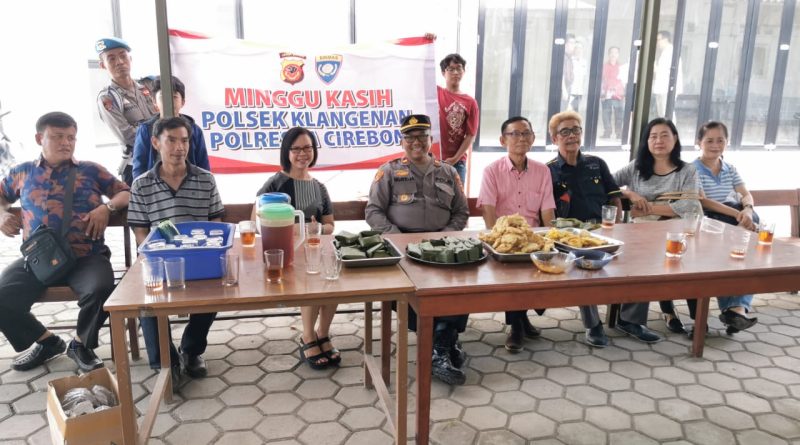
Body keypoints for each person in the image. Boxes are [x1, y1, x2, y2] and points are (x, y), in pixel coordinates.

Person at [0, 112, 130, 372]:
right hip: (39, 259)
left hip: (86, 257)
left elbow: (125, 192)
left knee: (101, 289)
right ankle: (48, 342)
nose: (66, 143)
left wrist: (107, 208)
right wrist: (2, 214)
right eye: (58, 137)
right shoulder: (22, 172)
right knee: (2, 296)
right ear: (39, 138)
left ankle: (80, 345)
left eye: (71, 137)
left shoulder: (90, 170)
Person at [366, 114, 470, 385]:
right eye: (410, 137)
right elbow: (373, 211)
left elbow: (461, 211)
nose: (416, 142)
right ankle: (444, 345)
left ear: (430, 139)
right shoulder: (389, 171)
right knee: (418, 289)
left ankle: (439, 349)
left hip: (442, 248)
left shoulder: (448, 172)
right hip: (403, 250)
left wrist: (444, 238)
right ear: (402, 141)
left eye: (422, 136)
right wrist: (398, 240)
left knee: (462, 283)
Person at [127, 117, 224, 381]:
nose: (179, 147)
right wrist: (151, 256)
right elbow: (140, 230)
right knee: (147, 302)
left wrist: (208, 252)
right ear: (156, 143)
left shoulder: (205, 179)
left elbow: (215, 222)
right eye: (171, 140)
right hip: (158, 259)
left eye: (184, 140)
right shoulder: (142, 184)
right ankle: (166, 364)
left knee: (214, 291)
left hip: (198, 258)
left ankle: (191, 350)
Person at [255, 127, 338, 369]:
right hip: (287, 255)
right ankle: (308, 336)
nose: (303, 153)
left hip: (314, 248)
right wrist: (289, 227)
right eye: (297, 149)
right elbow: (257, 221)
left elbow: (330, 225)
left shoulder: (319, 187)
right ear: (287, 152)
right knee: (312, 280)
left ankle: (323, 333)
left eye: (308, 148)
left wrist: (316, 229)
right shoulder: (275, 183)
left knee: (333, 278)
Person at [613, 118, 702, 340]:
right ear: (647, 141)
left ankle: (698, 320)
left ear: (675, 139)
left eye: (664, 135)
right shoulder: (636, 167)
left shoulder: (687, 171)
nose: (658, 141)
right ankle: (630, 321)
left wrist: (648, 208)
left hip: (677, 232)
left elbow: (690, 206)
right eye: (653, 136)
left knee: (694, 263)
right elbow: (608, 183)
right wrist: (630, 193)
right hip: (642, 233)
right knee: (642, 258)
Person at [476, 116, 555, 353]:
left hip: (532, 240)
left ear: (533, 138)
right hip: (504, 241)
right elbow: (488, 210)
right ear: (503, 140)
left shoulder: (542, 171)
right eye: (514, 134)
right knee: (513, 271)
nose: (521, 138)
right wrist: (496, 244)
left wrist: (551, 242)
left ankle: (521, 321)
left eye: (526, 133)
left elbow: (547, 211)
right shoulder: (492, 171)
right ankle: (518, 327)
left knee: (545, 269)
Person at [546, 111, 622, 347]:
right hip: (570, 237)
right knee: (584, 266)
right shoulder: (549, 170)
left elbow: (614, 198)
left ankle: (630, 320)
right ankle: (593, 325)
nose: (572, 136)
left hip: (604, 231)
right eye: (565, 132)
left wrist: (618, 226)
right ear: (554, 138)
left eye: (576, 130)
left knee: (637, 262)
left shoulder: (596, 163)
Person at [691, 121, 758, 333]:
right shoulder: (692, 169)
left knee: (747, 259)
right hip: (711, 224)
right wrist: (737, 213)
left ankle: (736, 310)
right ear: (699, 143)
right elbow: (704, 201)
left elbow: (745, 193)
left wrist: (747, 209)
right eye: (709, 140)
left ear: (727, 142)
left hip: (735, 221)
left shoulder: (730, 168)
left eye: (720, 140)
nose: (715, 145)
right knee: (728, 260)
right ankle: (735, 310)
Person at [95, 37, 158, 186]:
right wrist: (164, 137)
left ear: (130, 58)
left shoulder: (149, 85)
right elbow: (128, 136)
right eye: (111, 59)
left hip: (164, 160)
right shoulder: (108, 98)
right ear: (102, 65)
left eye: (123, 56)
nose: (119, 62)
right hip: (137, 164)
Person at [132, 76, 210, 180]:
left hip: (190, 186)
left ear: (183, 102)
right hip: (155, 187)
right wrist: (142, 187)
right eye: (163, 97)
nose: (169, 101)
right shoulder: (146, 130)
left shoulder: (195, 130)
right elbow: (139, 168)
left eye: (174, 97)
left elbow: (203, 165)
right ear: (154, 101)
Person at [437, 53, 479, 184]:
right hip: (433, 160)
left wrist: (455, 158)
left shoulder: (470, 102)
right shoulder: (436, 92)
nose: (455, 72)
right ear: (443, 73)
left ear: (463, 72)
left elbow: (471, 135)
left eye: (459, 68)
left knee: (457, 196)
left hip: (457, 162)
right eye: (451, 69)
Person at [653, 31, 682, 118]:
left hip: (666, 87)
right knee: (662, 113)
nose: (657, 43)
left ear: (665, 39)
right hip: (663, 87)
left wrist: (655, 67)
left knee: (666, 112)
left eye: (658, 40)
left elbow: (664, 70)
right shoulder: (666, 52)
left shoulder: (670, 52)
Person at [601, 47, 625, 139]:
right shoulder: (604, 66)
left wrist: (624, 93)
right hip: (606, 93)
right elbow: (601, 80)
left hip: (618, 94)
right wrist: (602, 93)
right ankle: (607, 132)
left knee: (619, 115)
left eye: (615, 52)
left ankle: (619, 133)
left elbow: (624, 80)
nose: (613, 54)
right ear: (608, 54)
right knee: (606, 114)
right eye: (611, 52)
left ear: (618, 55)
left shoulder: (622, 67)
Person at [562, 34, 577, 112]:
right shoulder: (563, 57)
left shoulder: (569, 57)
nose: (573, 45)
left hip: (568, 87)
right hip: (564, 88)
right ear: (566, 44)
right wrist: (564, 89)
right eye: (571, 43)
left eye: (574, 43)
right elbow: (562, 74)